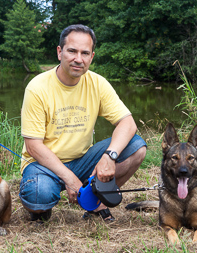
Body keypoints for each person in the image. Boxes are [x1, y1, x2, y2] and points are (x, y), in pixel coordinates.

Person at [19, 24, 147, 222]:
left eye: (85, 53)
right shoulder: (37, 87)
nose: (78, 59)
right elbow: (33, 146)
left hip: (83, 160)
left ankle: (96, 202)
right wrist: (71, 180)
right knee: (39, 196)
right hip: (43, 164)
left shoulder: (97, 83)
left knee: (136, 146)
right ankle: (43, 206)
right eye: (72, 51)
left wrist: (109, 156)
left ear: (91, 57)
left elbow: (128, 123)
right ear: (59, 52)